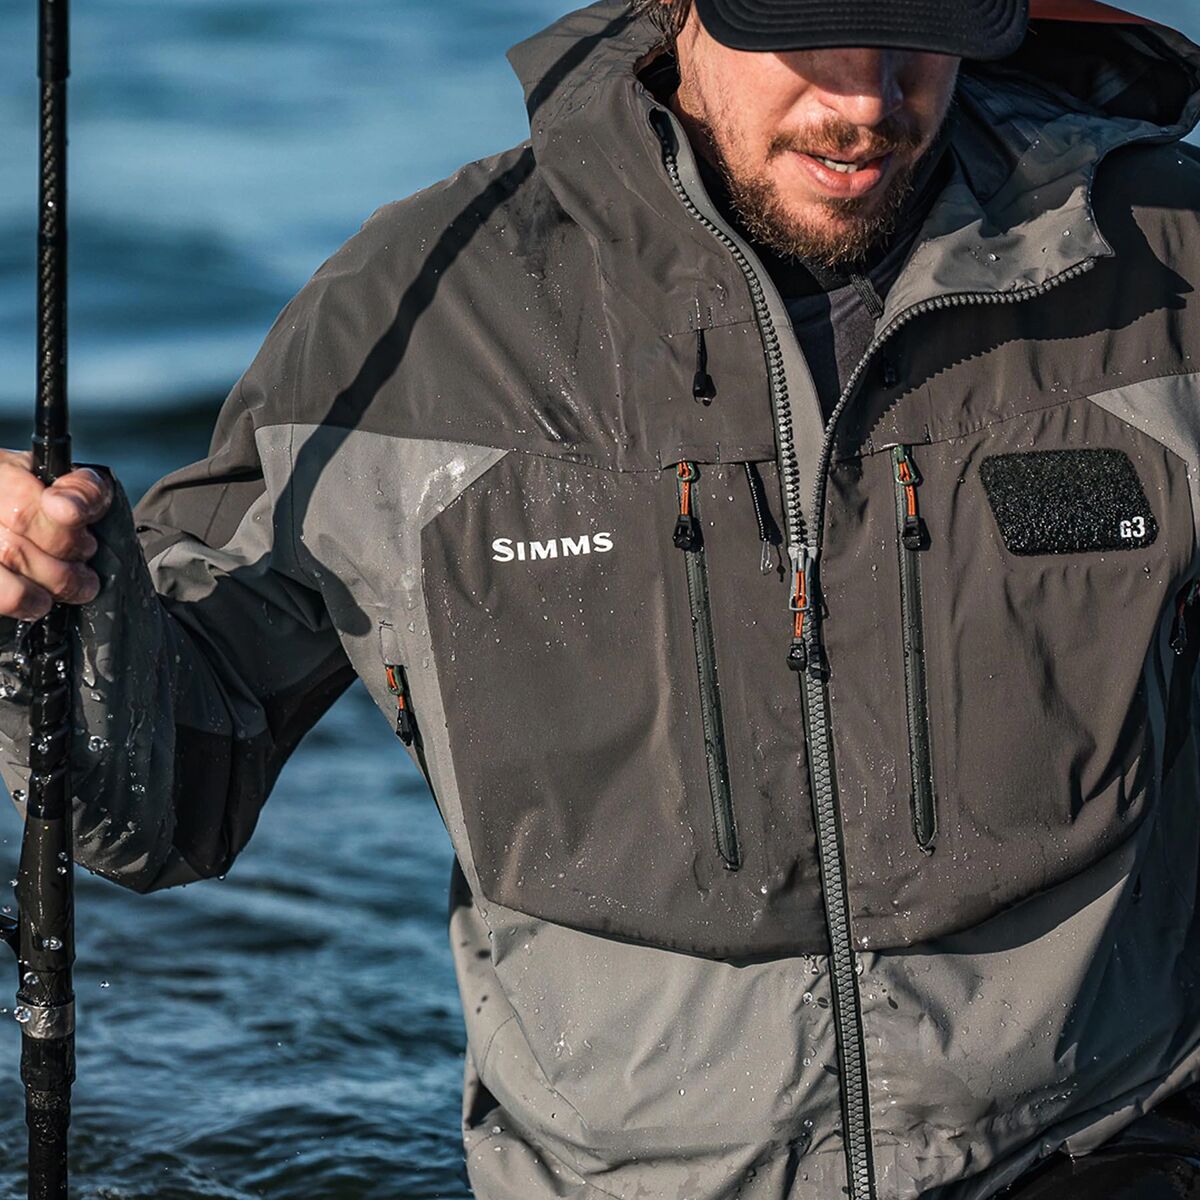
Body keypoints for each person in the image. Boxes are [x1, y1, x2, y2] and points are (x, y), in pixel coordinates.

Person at [0, 0, 1199, 1195]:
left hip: (1111, 1155)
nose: (866, 99)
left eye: (916, 28)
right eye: (803, 29)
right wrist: (42, 606)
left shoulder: (1172, 261)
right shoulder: (420, 314)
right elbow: (162, 799)